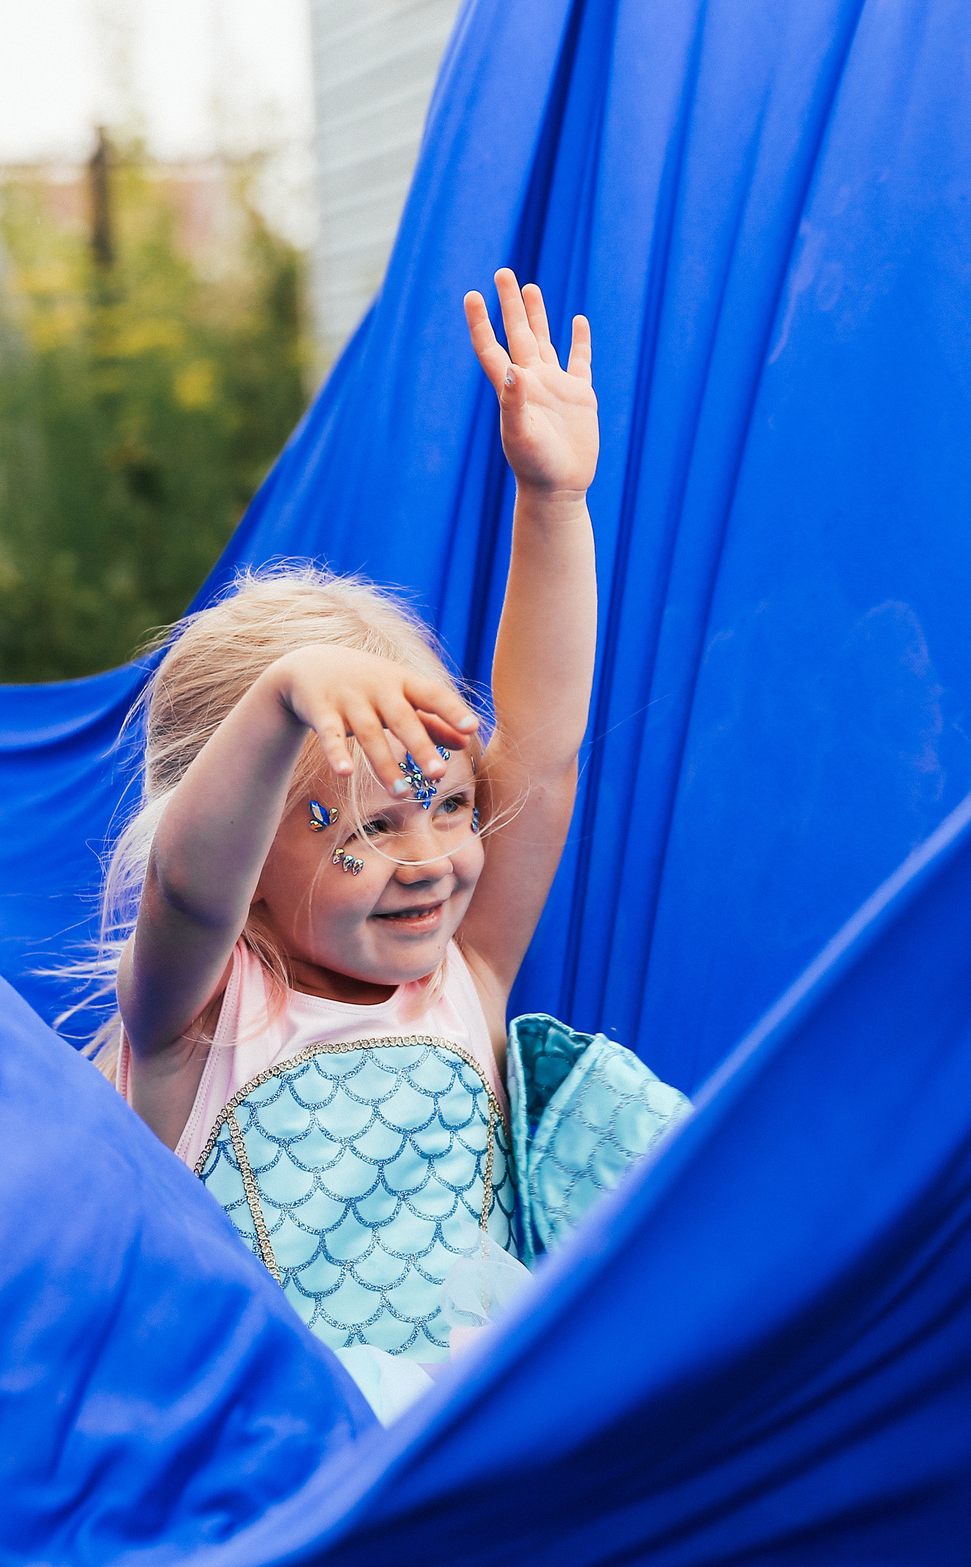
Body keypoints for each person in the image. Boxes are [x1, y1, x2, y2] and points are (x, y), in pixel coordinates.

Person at [99, 271, 686, 1419]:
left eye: (451, 805)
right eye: (367, 828)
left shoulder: (463, 977)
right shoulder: (193, 1024)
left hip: (472, 1426)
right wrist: (281, 704)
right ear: (250, 853)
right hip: (293, 1442)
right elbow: (184, 890)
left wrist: (553, 501)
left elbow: (546, 749)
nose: (432, 859)